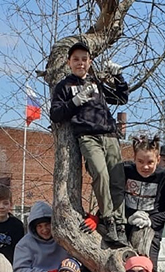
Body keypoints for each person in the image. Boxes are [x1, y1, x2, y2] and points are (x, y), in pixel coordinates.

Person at [50, 40, 129, 247]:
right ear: (69, 62)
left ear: (90, 62)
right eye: (76, 59)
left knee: (117, 179)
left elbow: (121, 98)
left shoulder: (96, 83)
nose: (80, 63)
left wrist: (119, 77)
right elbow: (56, 114)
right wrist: (74, 102)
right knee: (100, 174)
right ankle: (108, 218)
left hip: (110, 135)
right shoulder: (65, 86)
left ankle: (120, 224)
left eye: (84, 59)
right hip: (88, 136)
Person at [121, 135, 165, 272]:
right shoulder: (125, 169)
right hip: (125, 223)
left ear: (157, 160)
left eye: (150, 162)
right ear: (134, 158)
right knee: (119, 265)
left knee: (148, 269)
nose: (145, 166)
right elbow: (112, 196)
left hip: (151, 227)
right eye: (140, 161)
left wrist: (151, 220)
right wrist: (126, 216)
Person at [13, 201, 69, 272]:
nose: (44, 229)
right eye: (40, 226)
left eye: (47, 224)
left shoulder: (63, 239)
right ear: (34, 228)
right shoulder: (24, 244)